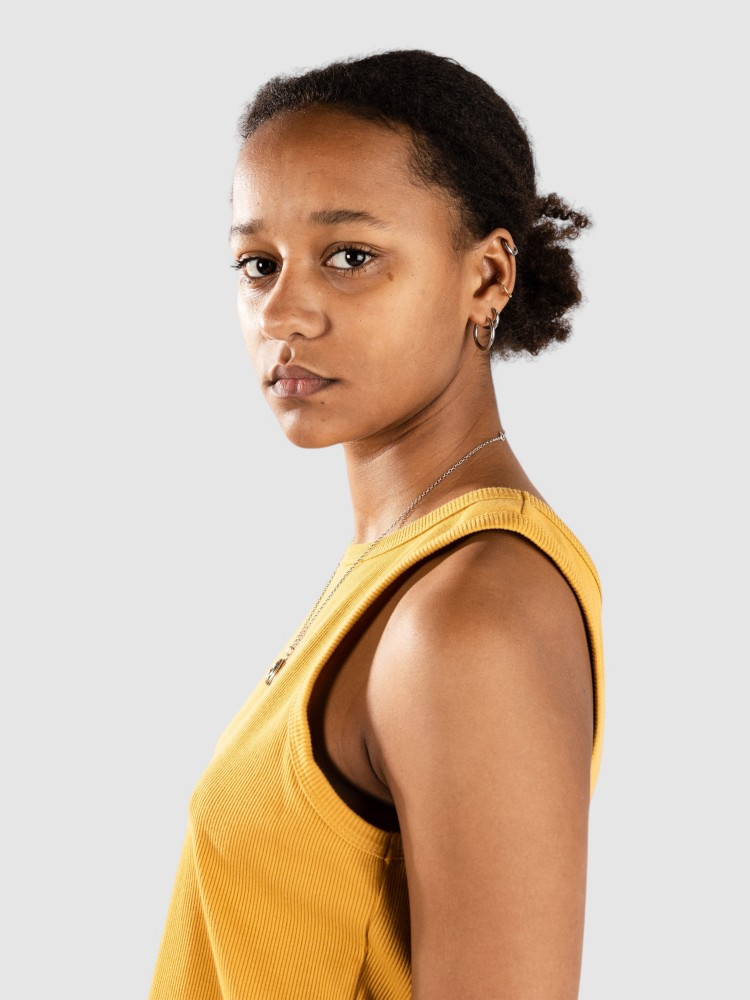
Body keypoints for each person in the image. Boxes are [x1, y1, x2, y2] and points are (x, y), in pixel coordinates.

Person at [149, 49, 605, 1000]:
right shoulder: (400, 564)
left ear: (487, 276)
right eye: (257, 264)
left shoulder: (471, 612)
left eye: (349, 257)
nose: (283, 312)